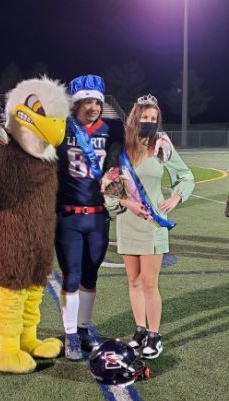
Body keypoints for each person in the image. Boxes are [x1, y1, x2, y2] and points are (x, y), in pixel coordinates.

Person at [104, 94, 195, 359]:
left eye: (154, 118)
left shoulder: (162, 144)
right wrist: (126, 203)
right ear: (135, 117)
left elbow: (185, 175)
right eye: (145, 117)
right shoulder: (122, 147)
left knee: (149, 282)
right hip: (127, 221)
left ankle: (154, 336)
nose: (149, 121)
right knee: (132, 281)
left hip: (152, 225)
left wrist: (176, 197)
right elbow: (111, 184)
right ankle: (140, 331)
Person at [55, 74, 123, 360]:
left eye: (97, 101)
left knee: (91, 277)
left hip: (97, 217)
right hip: (68, 216)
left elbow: (133, 146)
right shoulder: (61, 128)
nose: (93, 106)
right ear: (77, 103)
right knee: (71, 277)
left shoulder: (111, 129)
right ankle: (70, 335)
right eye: (87, 101)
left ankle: (83, 330)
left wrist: (160, 138)